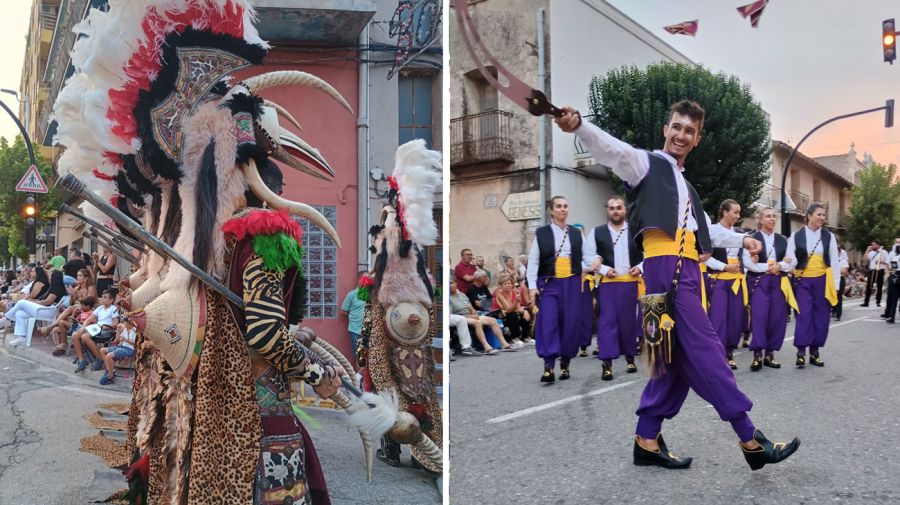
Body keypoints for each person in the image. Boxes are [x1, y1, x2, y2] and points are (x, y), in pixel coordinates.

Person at [556, 99, 799, 470]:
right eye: (676, 126)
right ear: (665, 129)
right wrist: (579, 127)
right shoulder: (646, 164)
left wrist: (744, 240)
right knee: (707, 351)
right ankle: (750, 438)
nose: (681, 134)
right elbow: (611, 149)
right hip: (665, 268)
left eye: (689, 130)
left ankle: (647, 439)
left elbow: (708, 229)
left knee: (668, 357)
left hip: (685, 270)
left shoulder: (685, 185)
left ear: (697, 138)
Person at [526, 195, 586, 383]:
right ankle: (548, 365)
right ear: (551, 211)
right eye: (559, 206)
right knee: (548, 322)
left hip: (572, 283)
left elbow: (585, 258)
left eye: (565, 206)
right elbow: (534, 261)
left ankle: (565, 362)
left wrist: (595, 265)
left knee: (570, 323)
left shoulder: (577, 234)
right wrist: (532, 287)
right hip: (551, 284)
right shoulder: (542, 233)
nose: (563, 209)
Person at [583, 195, 643, 380]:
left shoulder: (636, 231)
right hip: (608, 285)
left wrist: (640, 268)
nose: (616, 211)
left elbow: (648, 254)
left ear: (625, 210)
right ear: (607, 211)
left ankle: (630, 357)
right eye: (612, 208)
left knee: (627, 322)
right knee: (607, 322)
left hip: (630, 283)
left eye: (619, 207)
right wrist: (604, 269)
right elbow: (588, 256)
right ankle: (607, 362)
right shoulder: (597, 232)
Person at [786, 204, 840, 368]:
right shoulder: (796, 236)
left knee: (821, 316)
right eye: (819, 214)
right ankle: (801, 352)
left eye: (824, 215)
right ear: (808, 216)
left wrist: (836, 286)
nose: (822, 218)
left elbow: (834, 260)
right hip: (802, 281)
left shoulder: (828, 236)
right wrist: (788, 265)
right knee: (803, 315)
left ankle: (815, 352)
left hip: (823, 280)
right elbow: (791, 258)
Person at [742, 207, 795, 371]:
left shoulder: (782, 240)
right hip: (759, 281)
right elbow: (749, 263)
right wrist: (771, 265)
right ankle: (757, 354)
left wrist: (780, 265)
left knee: (776, 318)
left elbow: (792, 262)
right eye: (768, 216)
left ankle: (770, 354)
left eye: (774, 216)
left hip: (778, 282)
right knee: (759, 317)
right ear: (760, 220)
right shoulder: (751, 239)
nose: (772, 219)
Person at [705, 200, 748, 370]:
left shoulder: (739, 233)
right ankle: (718, 354)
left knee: (735, 318)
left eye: (739, 213)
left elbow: (743, 257)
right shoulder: (712, 231)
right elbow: (705, 256)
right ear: (724, 212)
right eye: (735, 212)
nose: (738, 216)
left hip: (736, 281)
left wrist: (752, 259)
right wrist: (724, 266)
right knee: (719, 318)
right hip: (719, 280)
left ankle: (729, 352)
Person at [450, 277, 513, 353]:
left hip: (471, 315)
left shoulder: (462, 295)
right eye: (448, 284)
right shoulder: (448, 298)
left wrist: (474, 313)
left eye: (451, 283)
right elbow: (452, 315)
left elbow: (470, 307)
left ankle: (504, 343)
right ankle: (486, 347)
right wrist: (470, 316)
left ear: (456, 284)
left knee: (493, 320)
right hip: (461, 317)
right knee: (477, 322)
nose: (450, 286)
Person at [72, 289, 120, 373]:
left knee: (85, 337)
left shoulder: (113, 309)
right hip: (96, 328)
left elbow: (115, 323)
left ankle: (99, 359)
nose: (102, 299)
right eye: (102, 297)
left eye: (105, 297)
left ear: (111, 300)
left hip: (106, 330)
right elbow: (88, 320)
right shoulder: (100, 308)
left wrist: (105, 327)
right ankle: (82, 360)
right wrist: (83, 327)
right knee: (75, 335)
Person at [493, 272, 532, 347]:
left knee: (525, 312)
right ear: (501, 286)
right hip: (500, 316)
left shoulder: (514, 292)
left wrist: (524, 311)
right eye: (505, 284)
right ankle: (515, 338)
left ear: (512, 284)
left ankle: (526, 337)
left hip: (510, 312)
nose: (507, 285)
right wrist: (516, 301)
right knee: (512, 314)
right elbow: (508, 309)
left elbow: (518, 308)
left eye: (509, 283)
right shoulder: (500, 295)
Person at [98, 316, 136, 385]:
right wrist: (118, 331)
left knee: (109, 356)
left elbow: (136, 344)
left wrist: (125, 340)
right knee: (102, 350)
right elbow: (117, 340)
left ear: (130, 323)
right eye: (124, 323)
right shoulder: (125, 329)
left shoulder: (134, 331)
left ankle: (110, 376)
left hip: (130, 349)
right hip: (121, 346)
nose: (125, 325)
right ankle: (110, 370)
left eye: (126, 323)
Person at [340, 271, 368, 360]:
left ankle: (367, 374)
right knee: (360, 358)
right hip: (356, 332)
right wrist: (353, 317)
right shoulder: (352, 295)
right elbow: (343, 311)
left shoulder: (372, 295)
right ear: (359, 280)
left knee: (372, 358)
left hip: (370, 333)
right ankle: (359, 374)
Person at [861, 240, 889, 307]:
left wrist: (882, 262)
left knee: (879, 287)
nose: (872, 246)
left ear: (878, 245)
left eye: (874, 245)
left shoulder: (884, 252)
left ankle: (878, 302)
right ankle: (866, 302)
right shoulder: (871, 253)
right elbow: (864, 260)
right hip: (872, 270)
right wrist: (867, 250)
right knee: (869, 286)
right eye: (872, 245)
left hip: (880, 270)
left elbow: (888, 261)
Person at [882, 238, 900, 324]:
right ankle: (891, 316)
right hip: (896, 275)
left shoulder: (895, 257)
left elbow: (891, 267)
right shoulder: (894, 256)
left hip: (896, 275)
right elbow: (891, 267)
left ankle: (891, 316)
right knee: (894, 298)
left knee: (894, 298)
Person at [833, 243, 850, 321]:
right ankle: (833, 311)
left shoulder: (843, 261)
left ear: (839, 253)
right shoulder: (831, 261)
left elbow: (845, 272)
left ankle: (838, 315)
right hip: (832, 279)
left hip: (840, 279)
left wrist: (836, 270)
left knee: (839, 296)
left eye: (837, 251)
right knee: (832, 296)